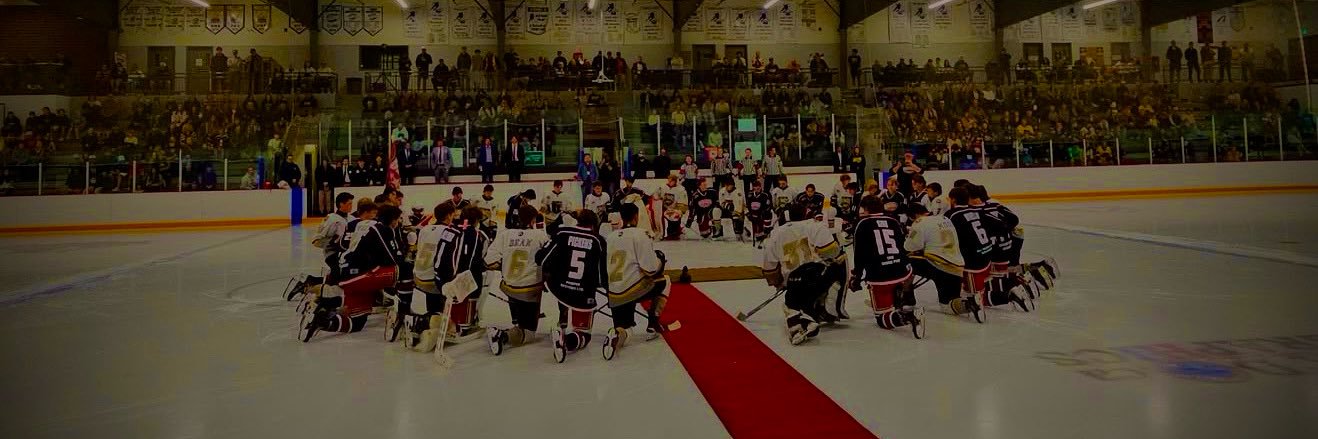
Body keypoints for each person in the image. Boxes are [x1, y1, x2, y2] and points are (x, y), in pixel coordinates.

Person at [303, 204, 404, 340]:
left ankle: (322, 318)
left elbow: (343, 245)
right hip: (355, 274)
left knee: (357, 323)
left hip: (347, 268)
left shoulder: (361, 224)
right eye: (398, 219)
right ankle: (405, 310)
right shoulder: (381, 229)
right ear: (393, 219)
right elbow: (391, 259)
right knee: (400, 272)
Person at [760, 202, 847, 345]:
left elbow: (770, 270)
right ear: (806, 213)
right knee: (841, 259)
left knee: (790, 302)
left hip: (793, 281)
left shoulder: (774, 234)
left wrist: (778, 283)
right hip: (818, 276)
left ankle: (798, 323)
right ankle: (828, 305)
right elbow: (832, 251)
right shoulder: (815, 225)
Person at [535, 209, 609, 362]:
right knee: (584, 335)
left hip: (558, 288)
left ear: (578, 221)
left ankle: (562, 320)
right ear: (594, 225)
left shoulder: (563, 233)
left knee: (564, 281)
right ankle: (567, 341)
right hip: (582, 296)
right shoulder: (598, 240)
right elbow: (602, 276)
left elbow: (541, 259)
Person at [600, 203, 671, 359]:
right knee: (665, 280)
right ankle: (653, 321)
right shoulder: (641, 234)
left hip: (614, 293)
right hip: (632, 290)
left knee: (625, 329)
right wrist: (660, 259)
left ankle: (616, 333)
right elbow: (651, 269)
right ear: (636, 216)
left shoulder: (611, 237)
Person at [849, 195, 924, 335]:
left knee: (883, 319)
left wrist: (856, 278)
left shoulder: (862, 223)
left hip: (881, 277)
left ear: (864, 209)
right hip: (902, 272)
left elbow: (860, 254)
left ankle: (909, 316)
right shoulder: (893, 221)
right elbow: (904, 246)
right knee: (897, 279)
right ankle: (901, 298)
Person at [485, 206, 551, 355]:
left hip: (509, 288)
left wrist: (504, 266)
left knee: (519, 321)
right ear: (533, 219)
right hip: (530, 290)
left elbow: (489, 261)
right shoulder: (539, 235)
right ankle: (502, 336)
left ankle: (515, 325)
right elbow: (549, 260)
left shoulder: (505, 234)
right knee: (529, 333)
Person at [402, 203, 457, 351]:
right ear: (449, 215)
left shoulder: (425, 230)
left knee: (433, 300)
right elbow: (447, 261)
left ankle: (428, 318)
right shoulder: (448, 231)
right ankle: (428, 322)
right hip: (434, 281)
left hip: (419, 277)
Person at [904, 203, 966, 314]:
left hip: (939, 267)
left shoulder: (919, 223)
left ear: (914, 216)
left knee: (905, 261)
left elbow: (910, 246)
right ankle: (970, 303)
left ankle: (906, 296)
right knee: (950, 305)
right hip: (957, 268)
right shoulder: (944, 218)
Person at [654, 175, 689, 240]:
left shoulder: (681, 189)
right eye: (669, 180)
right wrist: (658, 198)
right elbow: (656, 195)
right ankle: (663, 233)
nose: (669, 182)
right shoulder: (663, 187)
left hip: (676, 209)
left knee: (674, 216)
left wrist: (678, 210)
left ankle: (675, 233)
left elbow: (683, 203)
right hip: (664, 208)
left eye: (671, 181)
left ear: (675, 181)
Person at [746, 179, 774, 247]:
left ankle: (766, 231)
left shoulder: (765, 195)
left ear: (761, 187)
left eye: (758, 186)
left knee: (768, 215)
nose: (757, 188)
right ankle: (748, 232)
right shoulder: (750, 195)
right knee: (747, 218)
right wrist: (749, 213)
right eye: (755, 186)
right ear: (753, 187)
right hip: (754, 214)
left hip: (762, 214)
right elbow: (748, 206)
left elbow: (768, 206)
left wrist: (763, 213)